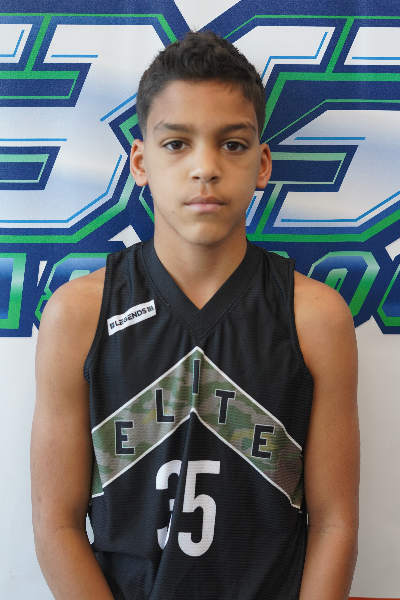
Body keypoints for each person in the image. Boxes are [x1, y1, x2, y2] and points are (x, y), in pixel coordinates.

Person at [31, 31, 359, 600]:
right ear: (141, 161)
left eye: (231, 144)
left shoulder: (316, 318)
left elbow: (335, 524)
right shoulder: (77, 315)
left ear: (262, 164)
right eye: (177, 143)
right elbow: (55, 524)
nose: (205, 167)